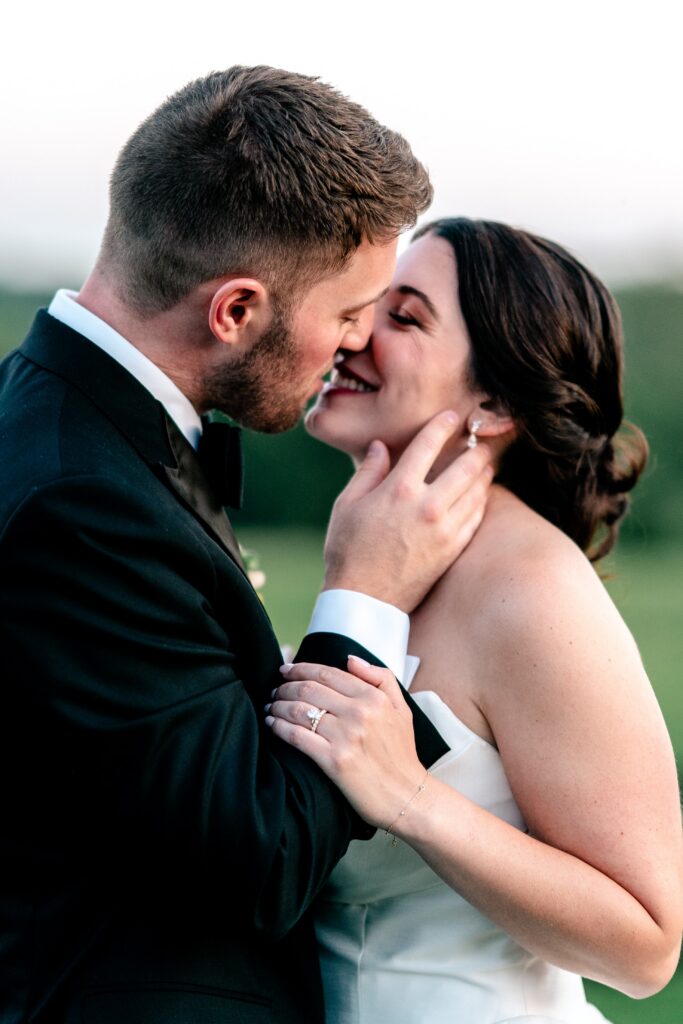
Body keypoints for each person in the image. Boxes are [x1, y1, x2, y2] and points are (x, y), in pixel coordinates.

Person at [0, 74, 494, 1024]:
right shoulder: (81, 504)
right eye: (350, 312)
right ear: (235, 310)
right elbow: (256, 857)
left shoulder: (84, 434)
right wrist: (365, 594)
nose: (353, 345)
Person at [266, 218, 683, 1023]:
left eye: (405, 316)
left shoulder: (530, 588)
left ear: (492, 402)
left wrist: (411, 797)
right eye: (367, 305)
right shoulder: (371, 556)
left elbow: (646, 948)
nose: (352, 333)